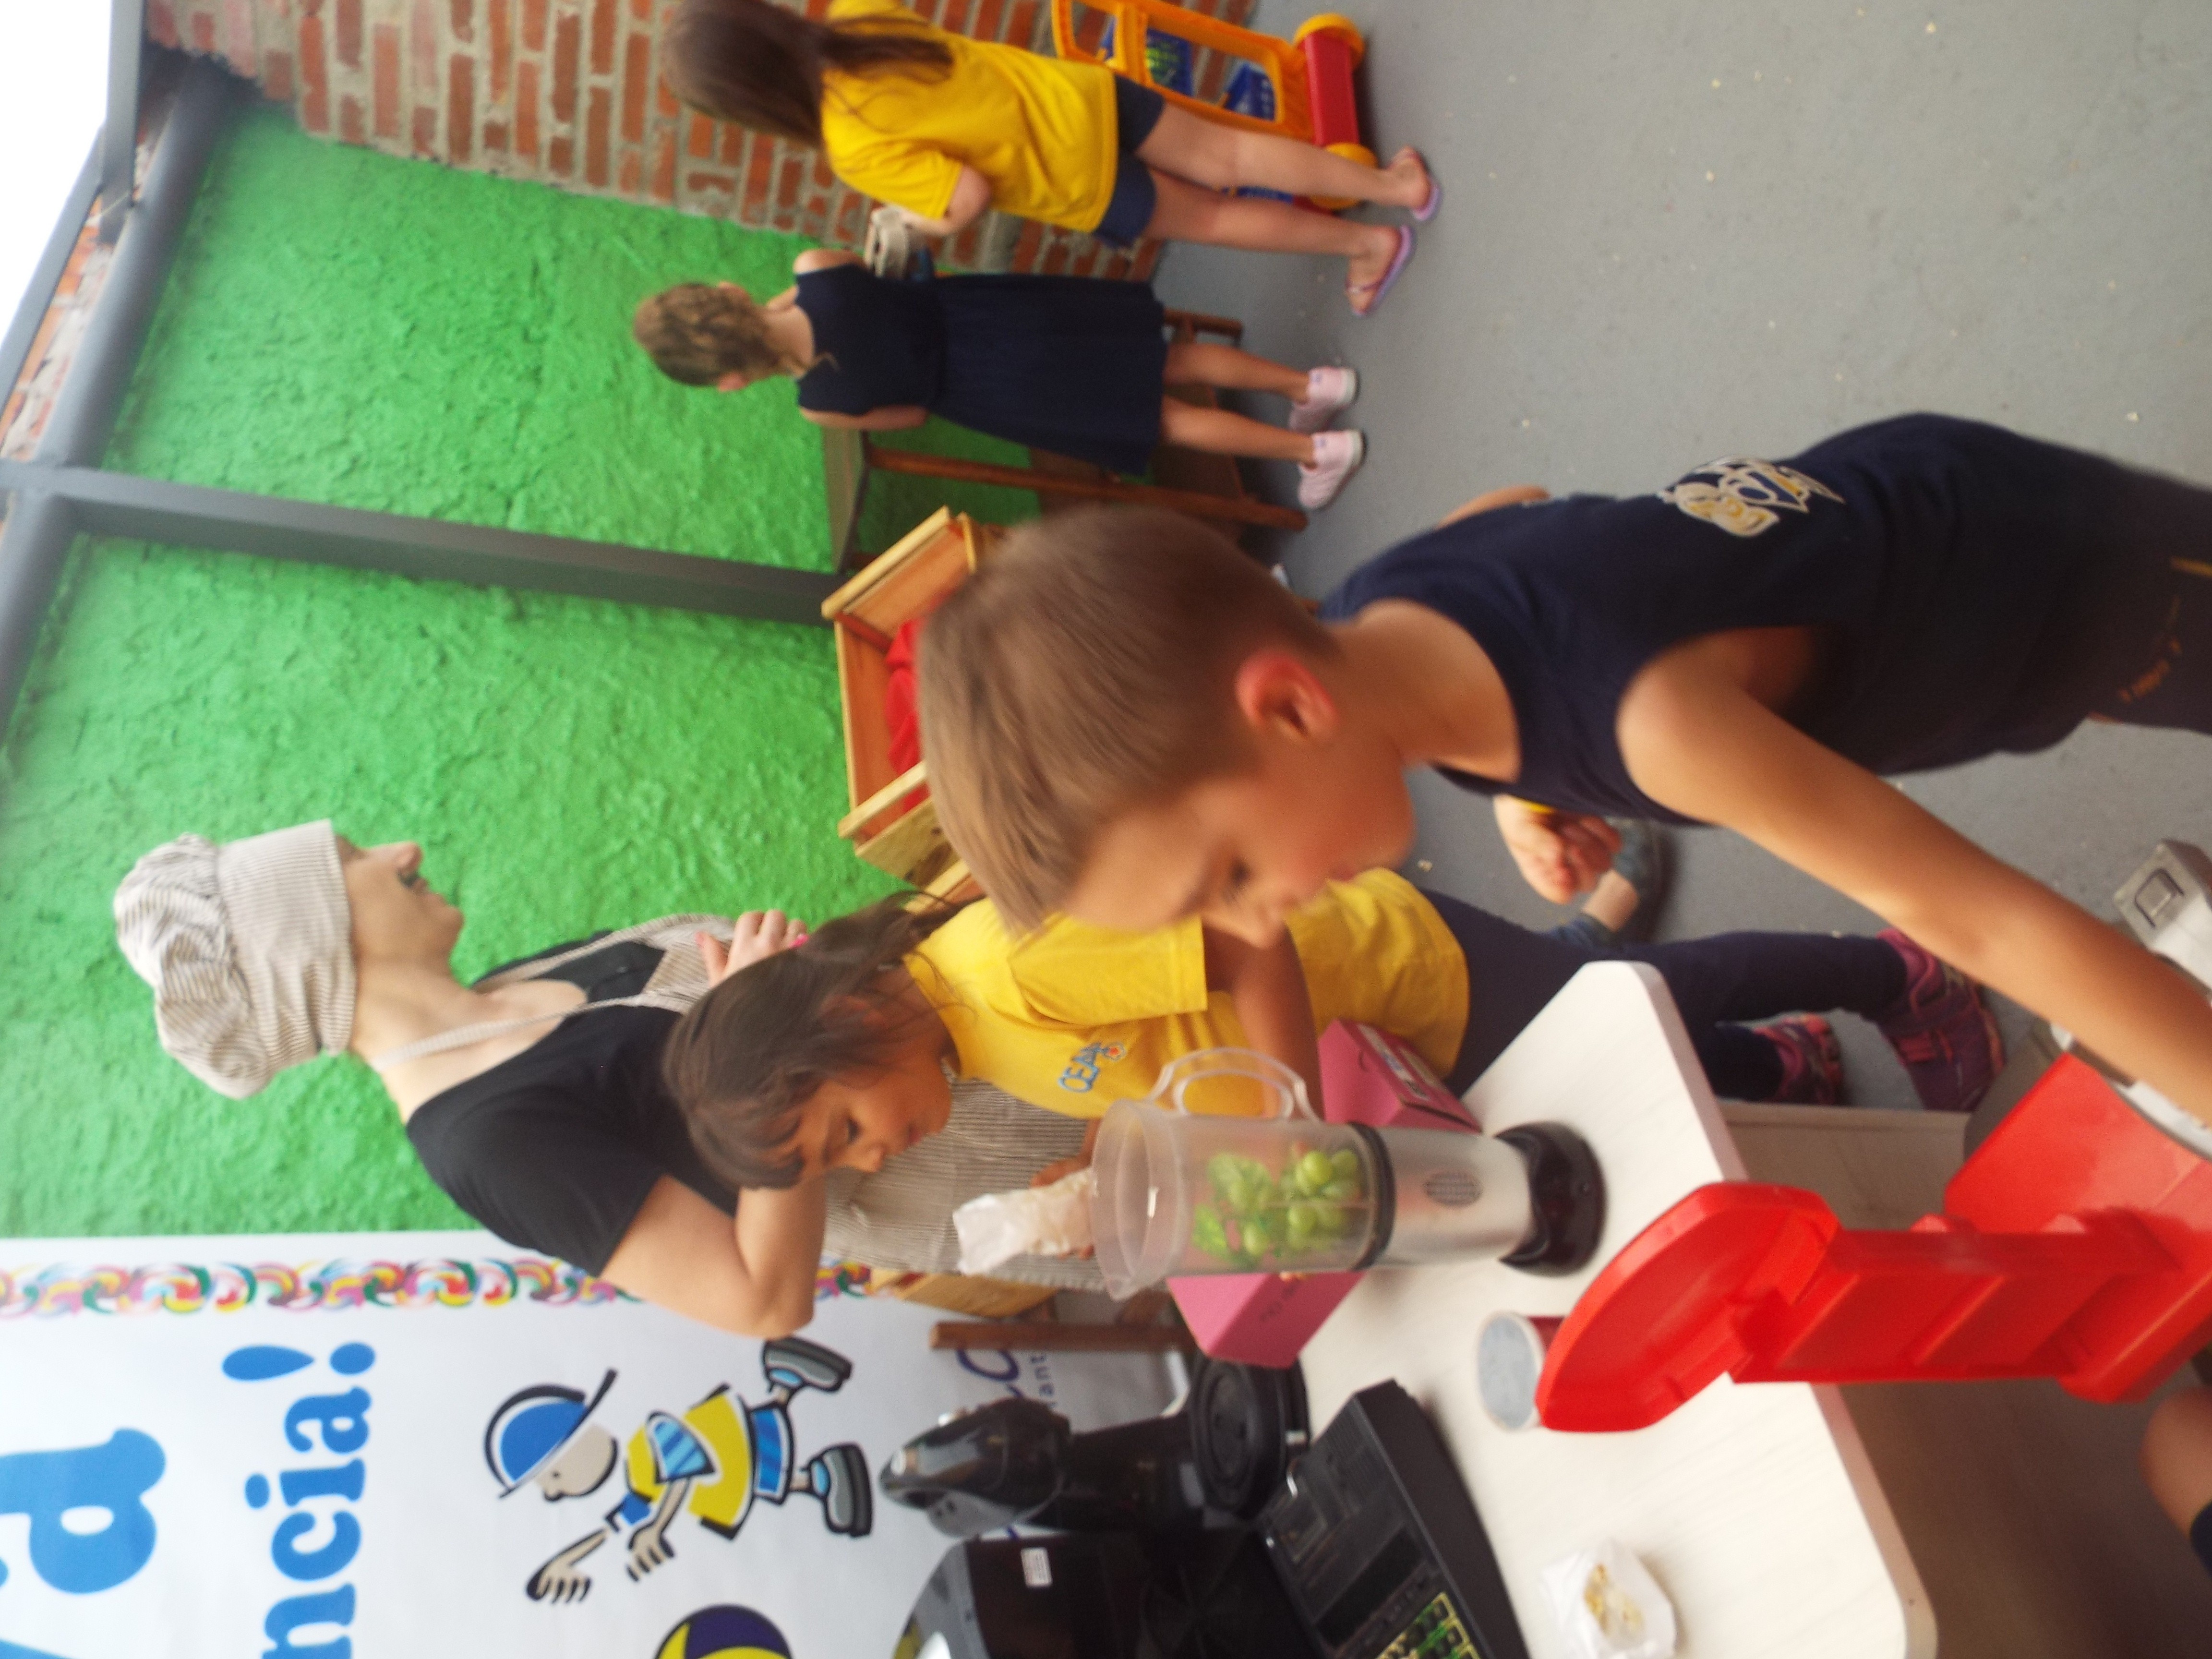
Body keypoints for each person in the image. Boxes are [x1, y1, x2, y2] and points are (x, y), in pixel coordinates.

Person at [911, 419, 2212, 1130]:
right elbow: (1510, 510)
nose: (1261, 926)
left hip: (2050, 591)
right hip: (1905, 521)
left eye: (1232, 874)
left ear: (1292, 707)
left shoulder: (1653, 723)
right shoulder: (1376, 617)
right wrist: (1531, 790)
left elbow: (1985, 925)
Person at [111, 822, 1100, 1339]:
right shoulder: (487, 1142)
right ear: (318, 942)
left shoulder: (523, 980)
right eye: (354, 860)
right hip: (1008, 1161)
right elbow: (762, 1302)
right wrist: (771, 1085)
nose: (400, 851)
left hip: (1019, 1035)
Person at [662, 868, 1997, 1196]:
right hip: (1381, 1040)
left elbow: (1249, 944)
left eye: (843, 1132)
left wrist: (1283, 1114)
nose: (873, 1157)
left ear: (848, 1016)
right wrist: (1121, 1151)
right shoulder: (969, 1042)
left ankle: (1897, 972)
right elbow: (1154, 1047)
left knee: (1634, 997)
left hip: (1397, 971)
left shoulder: (1006, 970)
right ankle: (1790, 1061)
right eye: (845, 1165)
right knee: (1618, 1054)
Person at [661, 0, 1437, 316]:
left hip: (1078, 182)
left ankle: (1366, 245)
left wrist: (915, 224)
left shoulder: (851, 148)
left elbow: (964, 196)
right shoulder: (856, 16)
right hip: (1078, 97)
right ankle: (1396, 184)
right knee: (1230, 152)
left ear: (751, 105)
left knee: (1218, 218)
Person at [634, 252, 1366, 508]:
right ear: (729, 293)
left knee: (1161, 418)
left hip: (991, 385)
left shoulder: (821, 404)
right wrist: (766, 309)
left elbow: (909, 415)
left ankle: (1314, 453)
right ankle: (1311, 387)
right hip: (997, 312)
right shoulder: (814, 269)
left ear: (731, 382)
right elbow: (861, 282)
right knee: (1166, 357)